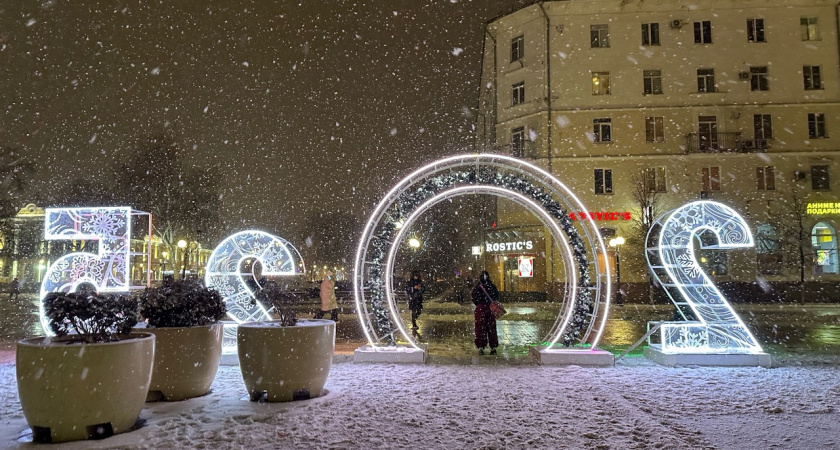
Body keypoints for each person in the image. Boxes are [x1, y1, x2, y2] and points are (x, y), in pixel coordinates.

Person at [472, 271, 499, 355]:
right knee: (491, 328)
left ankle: (481, 347)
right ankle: (493, 347)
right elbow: (496, 296)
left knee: (480, 328)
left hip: (481, 310)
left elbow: (474, 297)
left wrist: (480, 304)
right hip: (490, 309)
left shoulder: (478, 287)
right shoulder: (492, 286)